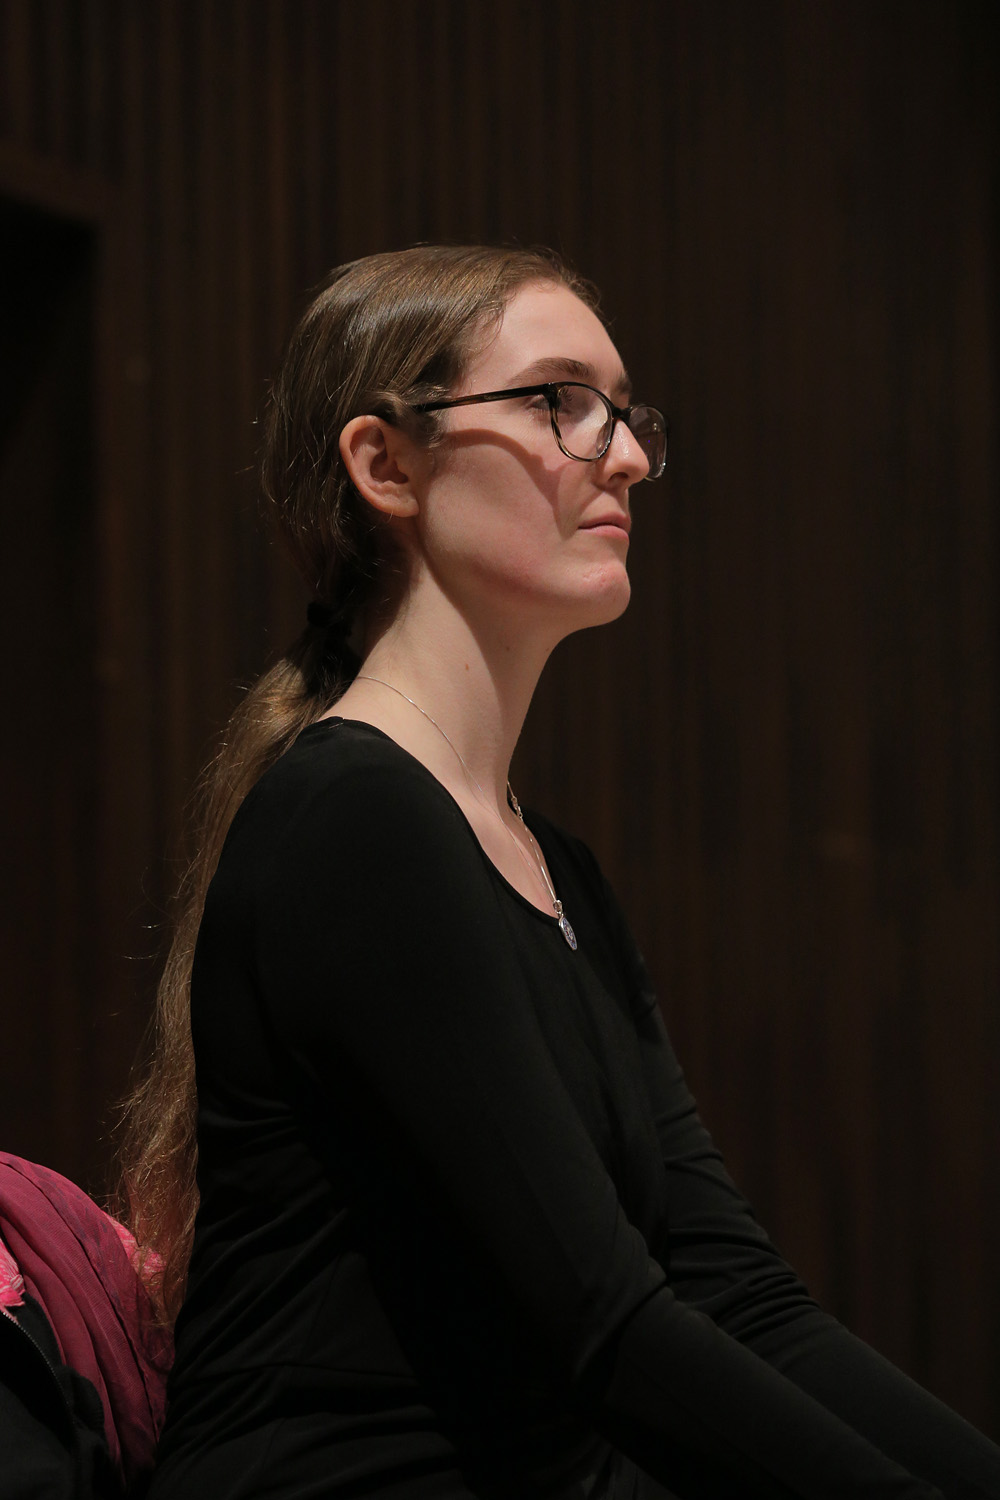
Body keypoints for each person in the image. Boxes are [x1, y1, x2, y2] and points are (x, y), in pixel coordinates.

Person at [123, 245, 1000, 1499]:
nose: (627, 454)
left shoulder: (556, 867)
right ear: (387, 465)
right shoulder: (355, 818)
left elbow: (733, 1295)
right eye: (556, 402)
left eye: (625, 411)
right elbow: (608, 1327)